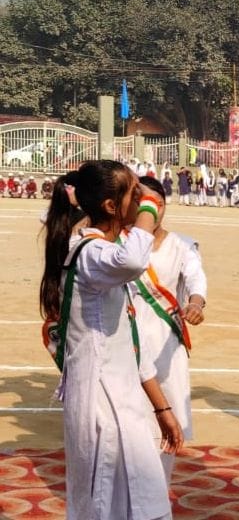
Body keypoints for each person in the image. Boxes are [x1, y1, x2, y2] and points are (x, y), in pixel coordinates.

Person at [39, 161, 183, 519]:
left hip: (125, 400)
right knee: (105, 506)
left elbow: (133, 343)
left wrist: (162, 409)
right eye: (135, 193)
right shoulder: (90, 254)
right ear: (110, 206)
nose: (144, 199)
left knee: (145, 505)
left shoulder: (105, 252)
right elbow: (135, 258)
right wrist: (151, 207)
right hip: (102, 403)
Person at [132, 176, 208, 486]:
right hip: (128, 344)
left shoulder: (183, 245)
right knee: (131, 426)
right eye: (144, 204)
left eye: (158, 204)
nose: (153, 210)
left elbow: (196, 279)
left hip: (166, 347)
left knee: (166, 425)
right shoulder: (122, 245)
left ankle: (157, 496)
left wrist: (196, 303)